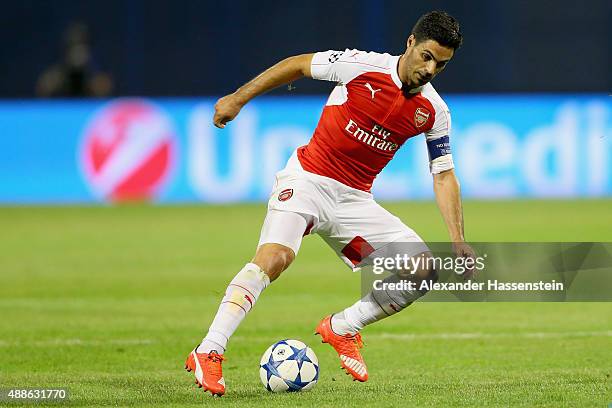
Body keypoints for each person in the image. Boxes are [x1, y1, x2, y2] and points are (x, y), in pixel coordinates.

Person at [184, 10, 476, 396]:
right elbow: (297, 65)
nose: (431, 68)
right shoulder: (362, 67)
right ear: (410, 43)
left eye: (441, 64)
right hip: (307, 180)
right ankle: (209, 350)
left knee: (422, 269)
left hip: (354, 204)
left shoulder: (434, 112)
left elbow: (443, 173)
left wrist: (457, 237)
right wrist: (237, 100)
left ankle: (342, 327)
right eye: (427, 56)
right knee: (275, 259)